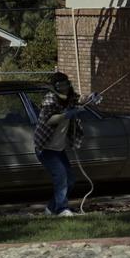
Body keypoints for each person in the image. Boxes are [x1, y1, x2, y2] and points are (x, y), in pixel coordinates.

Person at [34, 72, 84, 217]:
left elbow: (81, 100)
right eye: (60, 86)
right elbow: (49, 120)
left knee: (71, 179)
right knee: (61, 177)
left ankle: (51, 209)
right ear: (54, 87)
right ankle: (62, 209)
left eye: (66, 84)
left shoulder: (71, 98)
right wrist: (66, 115)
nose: (64, 88)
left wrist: (92, 98)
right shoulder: (50, 99)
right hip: (46, 148)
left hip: (58, 149)